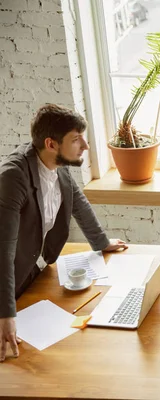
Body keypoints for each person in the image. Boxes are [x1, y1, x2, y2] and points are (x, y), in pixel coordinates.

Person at [0, 104, 128, 362]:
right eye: (76, 139)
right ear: (51, 143)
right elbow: (3, 250)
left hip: (27, 270)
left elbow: (76, 201)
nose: (85, 145)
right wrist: (6, 315)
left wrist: (101, 243)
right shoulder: (14, 177)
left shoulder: (57, 163)